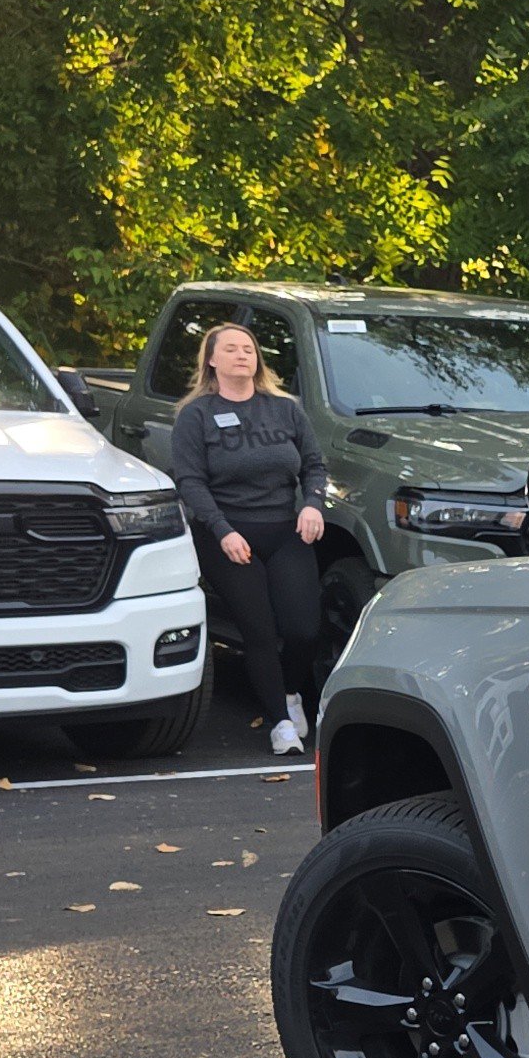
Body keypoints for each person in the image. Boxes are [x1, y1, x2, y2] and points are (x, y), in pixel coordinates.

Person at [169, 319, 331, 755]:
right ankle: (280, 723)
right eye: (232, 349)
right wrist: (222, 530)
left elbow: (314, 465)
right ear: (211, 360)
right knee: (258, 631)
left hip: (284, 529)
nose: (243, 355)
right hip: (228, 535)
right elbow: (189, 481)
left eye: (249, 349)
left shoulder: (285, 409)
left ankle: (292, 692)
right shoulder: (196, 415)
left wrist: (313, 503)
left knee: (302, 630)